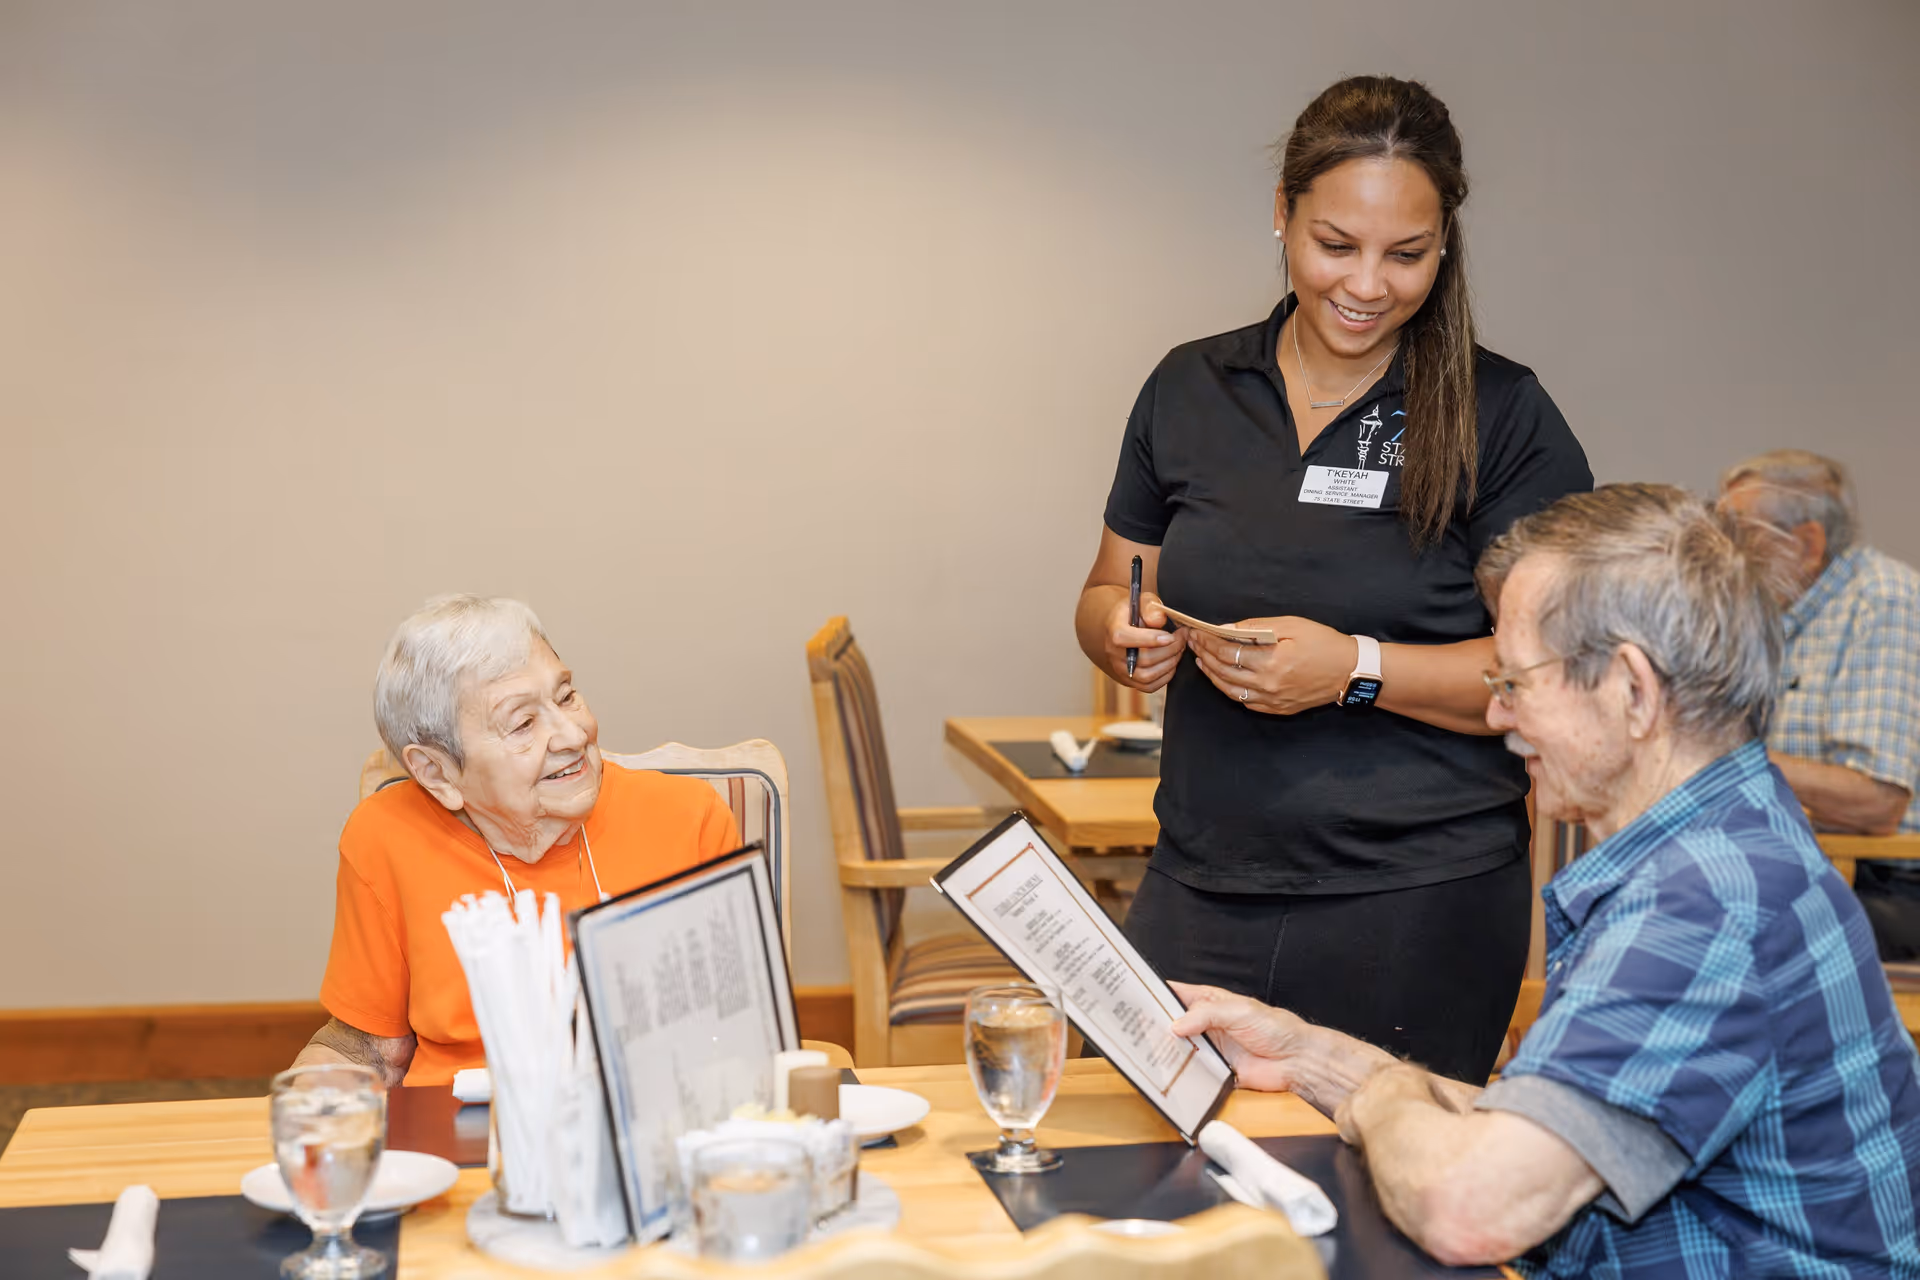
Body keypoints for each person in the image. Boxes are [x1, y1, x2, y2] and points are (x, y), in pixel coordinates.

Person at [1171, 484, 1920, 1276]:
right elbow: (1537, 1134)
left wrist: (1381, 1100)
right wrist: (1311, 1057)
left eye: (1515, 683)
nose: (1498, 718)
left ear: (1632, 690)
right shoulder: (1725, 839)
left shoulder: (1707, 901)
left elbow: (1471, 1208)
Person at [1074, 74, 1591, 1083]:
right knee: (1174, 1195)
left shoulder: (1504, 415)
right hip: (1200, 875)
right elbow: (1108, 587)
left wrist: (1356, 667)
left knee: (1378, 1214)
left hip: (1415, 897)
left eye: (1408, 255)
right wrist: (1120, 632)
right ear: (1281, 215)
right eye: (1335, 244)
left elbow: (1559, 675)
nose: (1367, 283)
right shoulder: (1191, 385)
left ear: (1446, 245)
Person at [292, 595, 740, 1086]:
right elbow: (369, 1048)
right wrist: (311, 1110)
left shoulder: (688, 819)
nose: (574, 733)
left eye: (567, 696)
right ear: (437, 771)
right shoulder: (385, 837)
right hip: (455, 1136)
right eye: (523, 723)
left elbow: (738, 1025)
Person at [1719, 449, 1920, 960]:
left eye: (1740, 533)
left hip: (1889, 883)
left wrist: (1726, 756)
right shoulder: (1773, 613)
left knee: (1706, 929)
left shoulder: (1882, 601)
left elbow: (1879, 801)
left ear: (1808, 543)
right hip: (1802, 866)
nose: (1725, 552)